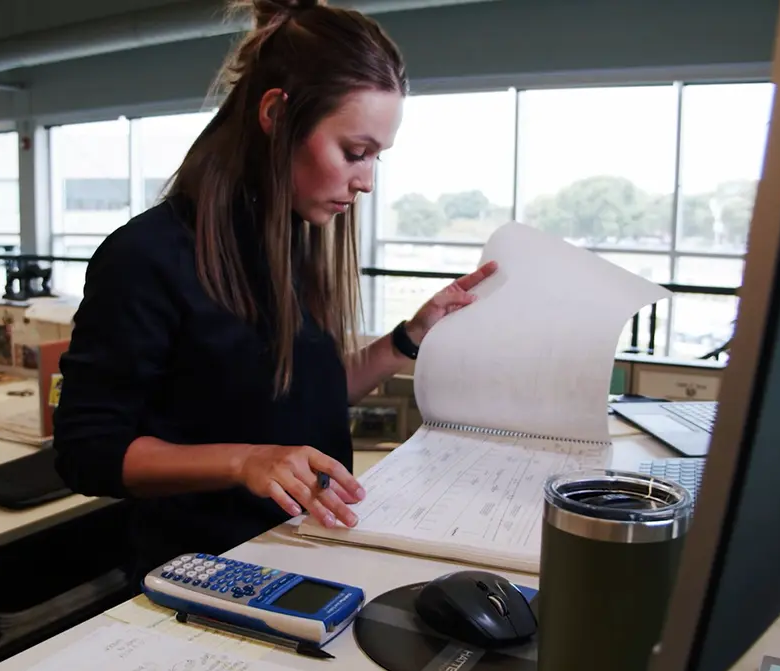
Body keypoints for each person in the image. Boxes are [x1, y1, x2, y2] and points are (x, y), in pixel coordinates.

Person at [52, 0, 497, 588]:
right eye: (355, 152)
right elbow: (87, 453)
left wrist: (409, 338)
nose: (366, 180)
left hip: (306, 552)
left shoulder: (291, 243)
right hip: (205, 572)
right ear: (275, 114)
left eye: (375, 157)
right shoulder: (147, 256)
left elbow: (305, 399)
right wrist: (245, 460)